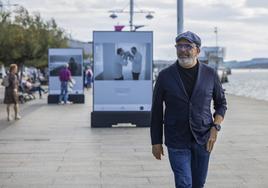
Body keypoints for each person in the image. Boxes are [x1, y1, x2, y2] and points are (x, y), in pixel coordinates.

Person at [150, 31, 227, 188]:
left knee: (198, 184)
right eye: (179, 46)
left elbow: (221, 104)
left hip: (203, 138)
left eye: (188, 46)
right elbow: (156, 110)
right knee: (184, 182)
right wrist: (156, 141)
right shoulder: (165, 76)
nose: (183, 50)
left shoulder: (210, 74)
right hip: (176, 138)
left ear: (198, 50)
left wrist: (215, 128)